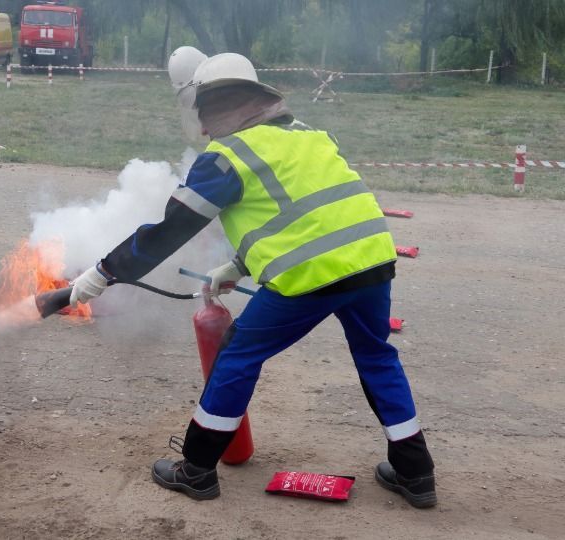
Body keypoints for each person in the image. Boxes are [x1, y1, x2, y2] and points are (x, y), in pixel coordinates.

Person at [68, 52, 437, 508]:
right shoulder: (307, 135)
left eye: (204, 114)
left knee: (237, 356)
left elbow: (168, 233)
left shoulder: (225, 158)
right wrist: (240, 265)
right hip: (372, 259)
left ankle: (197, 469)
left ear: (215, 109)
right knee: (377, 358)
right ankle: (417, 474)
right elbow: (304, 214)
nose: (203, 128)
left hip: (310, 278)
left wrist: (103, 272)